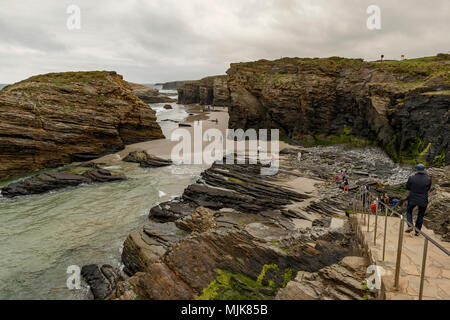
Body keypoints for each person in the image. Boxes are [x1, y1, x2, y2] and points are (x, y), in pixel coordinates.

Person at [405, 164, 432, 236]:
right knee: (420, 215)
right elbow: (428, 188)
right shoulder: (428, 179)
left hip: (413, 198)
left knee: (409, 211)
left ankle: (410, 225)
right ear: (424, 170)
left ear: (416, 170)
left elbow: (407, 187)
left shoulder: (411, 178)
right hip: (423, 199)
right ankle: (417, 231)